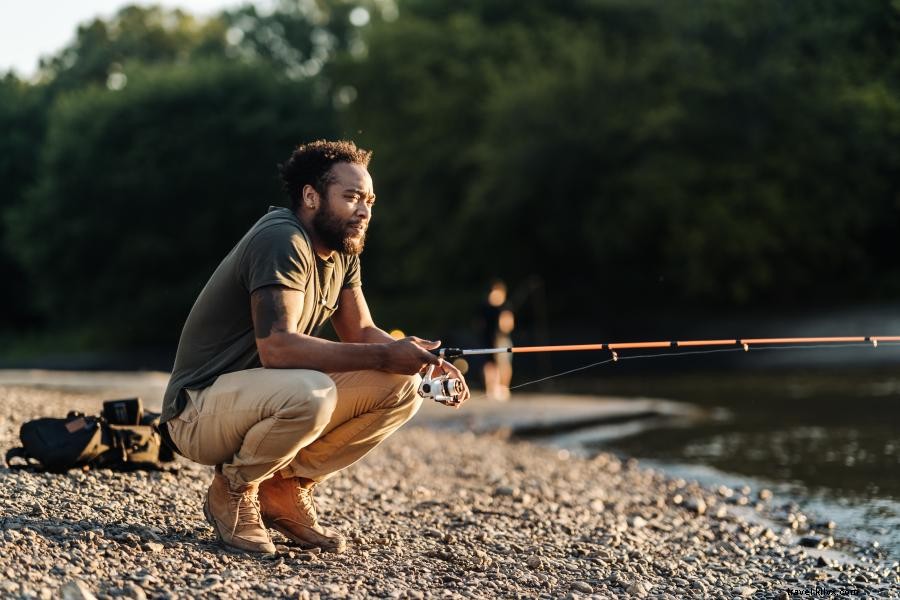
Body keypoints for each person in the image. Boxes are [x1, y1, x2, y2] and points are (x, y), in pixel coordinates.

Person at [160, 140, 470, 555]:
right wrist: (385, 354)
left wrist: (418, 359)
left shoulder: (342, 251)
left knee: (402, 386)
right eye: (351, 197)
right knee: (312, 393)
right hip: (197, 413)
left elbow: (360, 331)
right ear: (310, 196)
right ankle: (233, 491)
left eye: (370, 200)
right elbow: (278, 349)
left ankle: (283, 487)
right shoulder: (281, 239)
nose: (364, 211)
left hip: (260, 401)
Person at [480, 280, 515, 400]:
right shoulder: (485, 307)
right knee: (489, 365)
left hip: (502, 340)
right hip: (488, 340)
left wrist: (503, 323)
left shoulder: (506, 306)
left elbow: (508, 324)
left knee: (504, 363)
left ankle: (503, 388)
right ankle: (491, 389)